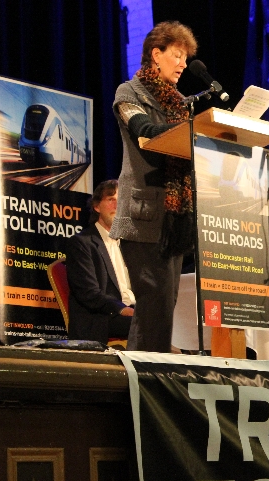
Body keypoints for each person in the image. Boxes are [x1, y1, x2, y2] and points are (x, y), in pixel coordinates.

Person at [111, 21, 198, 352]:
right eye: (177, 55)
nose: (183, 64)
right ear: (156, 54)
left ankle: (143, 381)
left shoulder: (180, 103)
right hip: (142, 218)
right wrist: (189, 133)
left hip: (173, 219)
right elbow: (142, 128)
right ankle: (146, 383)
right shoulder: (128, 92)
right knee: (155, 309)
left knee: (163, 307)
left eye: (186, 58)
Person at [66, 180, 135, 344]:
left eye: (121, 200)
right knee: (148, 326)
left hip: (131, 311)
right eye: (111, 199)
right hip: (101, 318)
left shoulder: (130, 245)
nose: (117, 205)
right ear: (97, 206)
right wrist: (121, 308)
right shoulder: (82, 243)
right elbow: (89, 293)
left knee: (165, 319)